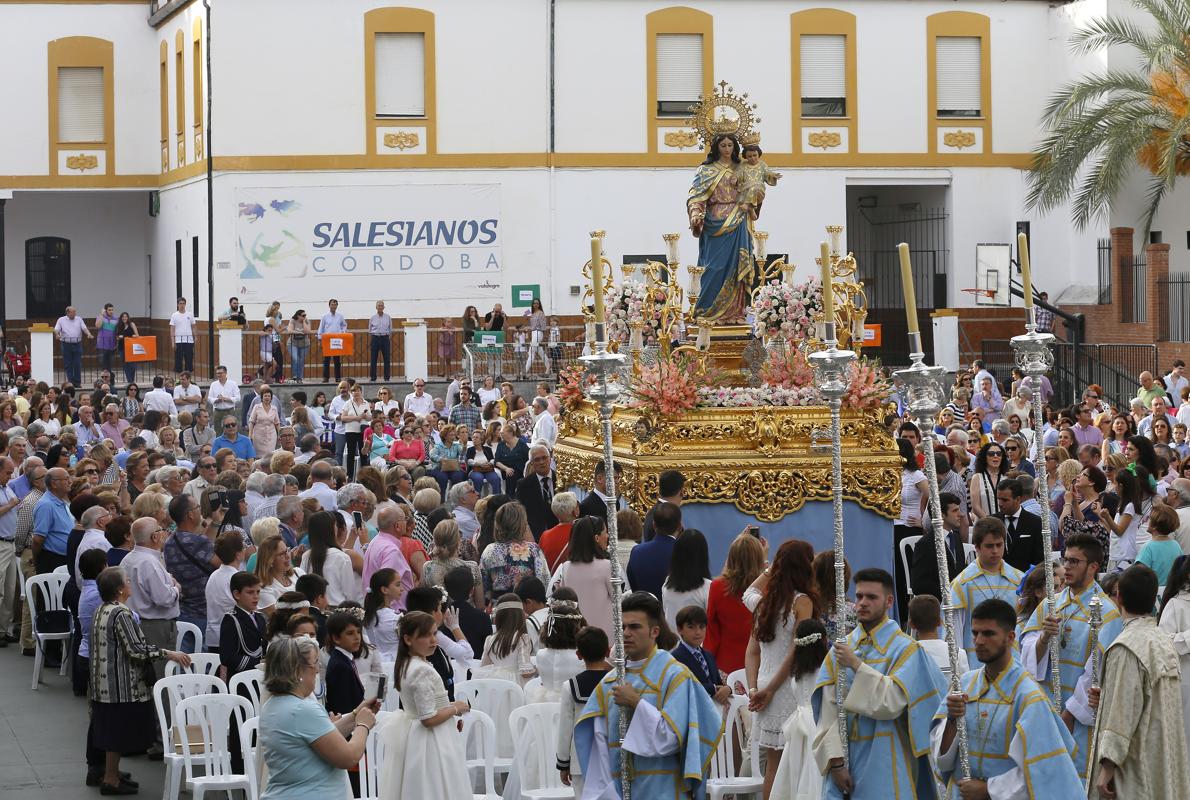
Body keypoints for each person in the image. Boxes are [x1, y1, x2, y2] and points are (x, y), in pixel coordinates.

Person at [812, 568, 946, 800]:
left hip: (887, 753)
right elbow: (828, 710)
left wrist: (856, 665)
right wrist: (835, 762)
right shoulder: (840, 650)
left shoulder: (906, 650)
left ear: (888, 601)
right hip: (847, 755)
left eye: (871, 597)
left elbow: (890, 703)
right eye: (859, 596)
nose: (863, 603)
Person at [574, 591, 722, 798]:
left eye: (634, 627)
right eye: (623, 626)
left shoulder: (674, 675)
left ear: (654, 631)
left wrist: (636, 702)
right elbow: (599, 748)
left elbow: (670, 738)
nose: (626, 633)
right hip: (621, 789)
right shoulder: (609, 683)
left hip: (664, 788)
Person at [930, 598, 1083, 798]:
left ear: (1010, 637)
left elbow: (1042, 770)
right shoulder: (964, 685)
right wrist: (951, 719)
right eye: (975, 633)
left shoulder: (1028, 696)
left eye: (988, 633)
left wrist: (989, 789)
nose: (979, 641)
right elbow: (943, 760)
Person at [1019, 533, 1122, 780]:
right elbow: (1025, 651)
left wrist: (1070, 713)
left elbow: (1096, 671)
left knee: (1073, 779)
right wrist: (1044, 638)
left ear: (1094, 566)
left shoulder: (1107, 612)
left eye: (1074, 562)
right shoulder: (1050, 604)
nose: (1066, 567)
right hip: (1045, 706)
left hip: (1076, 718)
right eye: (1066, 560)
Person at [1088, 564, 1190, 798]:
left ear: (1119, 598)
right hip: (1162, 758)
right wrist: (1105, 696)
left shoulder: (1127, 647)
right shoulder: (1163, 641)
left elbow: (1122, 712)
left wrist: (1108, 765)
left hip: (1135, 765)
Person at [88, 566, 190, 795]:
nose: (130, 583)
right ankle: (111, 779)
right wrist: (167, 653)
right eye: (127, 581)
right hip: (120, 685)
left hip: (103, 684)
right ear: (120, 589)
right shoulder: (121, 614)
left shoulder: (101, 610)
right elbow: (135, 650)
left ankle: (110, 773)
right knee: (116, 733)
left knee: (110, 732)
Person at [257, 635, 378, 800]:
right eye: (315, 663)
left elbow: (317, 741)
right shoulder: (303, 709)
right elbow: (349, 757)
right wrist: (363, 726)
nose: (317, 669)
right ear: (298, 670)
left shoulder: (272, 705)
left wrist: (356, 714)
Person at [746, 539, 818, 800]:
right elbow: (795, 651)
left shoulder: (763, 604)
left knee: (774, 765)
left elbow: (752, 651)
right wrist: (771, 689)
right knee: (795, 760)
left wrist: (755, 687)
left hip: (764, 682)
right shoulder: (803, 602)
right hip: (786, 685)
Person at [375, 611, 472, 800]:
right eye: (425, 635)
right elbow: (428, 718)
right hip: (430, 740)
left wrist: (449, 707)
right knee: (435, 787)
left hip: (418, 734)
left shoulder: (409, 663)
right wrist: (456, 708)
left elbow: (428, 704)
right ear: (408, 639)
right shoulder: (420, 670)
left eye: (434, 634)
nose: (433, 640)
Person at [686, 133, 753, 323]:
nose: (726, 149)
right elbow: (696, 197)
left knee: (737, 266)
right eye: (722, 145)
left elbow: (753, 191)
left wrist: (756, 195)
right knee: (713, 268)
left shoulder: (743, 168)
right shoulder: (705, 170)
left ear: (735, 147)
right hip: (714, 223)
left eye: (730, 145)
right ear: (716, 147)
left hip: (738, 219)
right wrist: (695, 215)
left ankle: (735, 313)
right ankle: (707, 312)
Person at [949, 516, 1024, 662]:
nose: (995, 551)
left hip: (1011, 661)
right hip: (976, 663)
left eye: (999, 545)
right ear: (977, 547)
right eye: (989, 546)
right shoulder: (963, 583)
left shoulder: (1018, 580)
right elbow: (954, 629)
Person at [557, 625, 612, 798]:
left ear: (578, 654)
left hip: (580, 759)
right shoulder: (617, 683)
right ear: (608, 651)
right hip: (612, 755)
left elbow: (565, 729)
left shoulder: (570, 686)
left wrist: (563, 764)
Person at [706, 531, 765, 675]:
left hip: (726, 665)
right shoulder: (768, 588)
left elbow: (711, 631)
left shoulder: (717, 587)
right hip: (760, 663)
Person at [550, 515, 617, 638]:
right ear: (596, 538)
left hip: (578, 633)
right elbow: (617, 600)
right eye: (605, 532)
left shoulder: (566, 567)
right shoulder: (607, 566)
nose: (607, 536)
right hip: (604, 635)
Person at [909, 490, 964, 602]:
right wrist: (948, 593)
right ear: (941, 514)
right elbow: (918, 584)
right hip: (938, 604)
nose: (960, 514)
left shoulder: (956, 538)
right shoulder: (925, 544)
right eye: (955, 511)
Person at [671, 605, 730, 703]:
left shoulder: (708, 655)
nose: (698, 632)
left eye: (701, 627)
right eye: (691, 627)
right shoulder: (675, 658)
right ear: (680, 629)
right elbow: (685, 687)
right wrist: (713, 688)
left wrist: (727, 689)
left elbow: (719, 683)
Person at [626, 501, 681, 600]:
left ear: (654, 525)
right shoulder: (684, 553)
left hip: (645, 610)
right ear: (679, 526)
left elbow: (634, 588)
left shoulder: (637, 552)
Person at [661, 529, 712, 631]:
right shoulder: (707, 587)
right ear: (703, 555)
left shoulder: (667, 583)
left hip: (670, 644)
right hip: (695, 644)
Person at [219, 571, 267, 679]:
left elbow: (264, 647)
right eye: (250, 592)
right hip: (241, 678)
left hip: (260, 676)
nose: (256, 597)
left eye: (258, 592)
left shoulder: (260, 618)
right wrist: (259, 662)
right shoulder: (231, 620)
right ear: (237, 594)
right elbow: (227, 658)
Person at [907, 594, 969, 676]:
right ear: (940, 622)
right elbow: (967, 685)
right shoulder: (958, 654)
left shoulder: (905, 656)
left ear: (911, 624)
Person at [994, 477, 1045, 572]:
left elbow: (1040, 559)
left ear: (1018, 499)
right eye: (998, 499)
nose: (1000, 504)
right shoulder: (993, 522)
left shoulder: (1034, 522)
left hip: (1026, 580)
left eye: (1005, 500)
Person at [1137, 501, 1181, 584]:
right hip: (1170, 592)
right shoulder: (1176, 545)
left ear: (1155, 526)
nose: (1146, 519)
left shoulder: (1148, 547)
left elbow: (1138, 574)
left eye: (1149, 518)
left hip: (1153, 592)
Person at [54, 306, 92, 386]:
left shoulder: (79, 319)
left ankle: (77, 382)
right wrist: (57, 335)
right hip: (66, 344)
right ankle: (71, 382)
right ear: (67, 313)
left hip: (77, 344)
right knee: (68, 364)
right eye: (73, 312)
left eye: (75, 312)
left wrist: (88, 334)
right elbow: (56, 329)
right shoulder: (61, 320)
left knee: (77, 363)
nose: (75, 314)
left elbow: (84, 328)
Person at [318, 299, 347, 383]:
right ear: (329, 305)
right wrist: (319, 339)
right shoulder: (324, 316)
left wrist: (342, 332)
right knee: (326, 360)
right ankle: (325, 377)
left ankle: (338, 377)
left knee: (337, 360)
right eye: (332, 304)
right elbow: (321, 328)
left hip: (336, 340)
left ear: (337, 306)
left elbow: (344, 325)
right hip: (327, 340)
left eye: (335, 304)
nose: (333, 306)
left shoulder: (340, 316)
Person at [248, 386, 281, 456]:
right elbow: (252, 422)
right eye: (265, 396)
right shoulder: (257, 407)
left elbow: (277, 423)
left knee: (270, 454)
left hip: (271, 435)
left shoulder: (274, 408)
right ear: (262, 397)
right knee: (259, 455)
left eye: (269, 396)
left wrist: (279, 434)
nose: (267, 398)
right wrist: (250, 435)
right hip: (258, 435)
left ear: (271, 398)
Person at [367, 300, 393, 383]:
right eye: (379, 306)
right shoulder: (372, 318)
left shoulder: (388, 317)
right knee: (373, 359)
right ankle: (373, 377)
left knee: (387, 359)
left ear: (384, 307)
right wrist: (374, 337)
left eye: (382, 306)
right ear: (376, 307)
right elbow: (370, 330)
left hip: (385, 338)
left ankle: (387, 378)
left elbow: (390, 329)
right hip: (375, 337)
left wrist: (387, 337)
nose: (380, 307)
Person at [168, 297, 195, 373]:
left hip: (189, 341)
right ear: (177, 304)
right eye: (180, 304)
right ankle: (178, 379)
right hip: (178, 341)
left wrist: (195, 337)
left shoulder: (190, 314)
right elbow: (172, 329)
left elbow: (194, 326)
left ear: (185, 304)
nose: (182, 305)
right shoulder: (174, 315)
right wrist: (173, 342)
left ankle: (189, 378)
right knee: (178, 361)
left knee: (189, 360)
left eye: (183, 303)